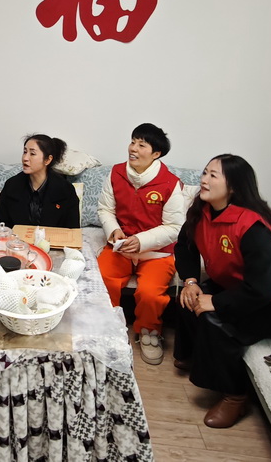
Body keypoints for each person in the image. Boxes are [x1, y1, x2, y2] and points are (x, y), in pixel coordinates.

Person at [174, 154, 271, 429]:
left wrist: (217, 302)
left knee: (217, 320)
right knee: (188, 298)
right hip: (240, 286)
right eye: (205, 173)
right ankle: (196, 357)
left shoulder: (254, 227)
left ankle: (235, 396)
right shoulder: (202, 211)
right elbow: (184, 246)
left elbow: (262, 288)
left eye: (213, 175)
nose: (204, 180)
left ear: (234, 187)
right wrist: (191, 282)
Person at [97, 123, 185, 365]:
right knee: (103, 279)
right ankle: (106, 326)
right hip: (121, 247)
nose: (133, 149)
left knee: (150, 293)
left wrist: (141, 241)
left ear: (156, 153)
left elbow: (174, 227)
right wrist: (114, 230)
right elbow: (105, 209)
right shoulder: (116, 173)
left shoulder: (170, 184)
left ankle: (149, 332)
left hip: (156, 253)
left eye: (141, 145)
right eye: (132, 142)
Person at [0, 134, 81, 228]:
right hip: (17, 237)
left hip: (54, 237)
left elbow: (73, 229)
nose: (25, 158)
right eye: (25, 152)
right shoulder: (11, 186)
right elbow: (2, 223)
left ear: (48, 160)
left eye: (32, 154)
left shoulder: (65, 189)